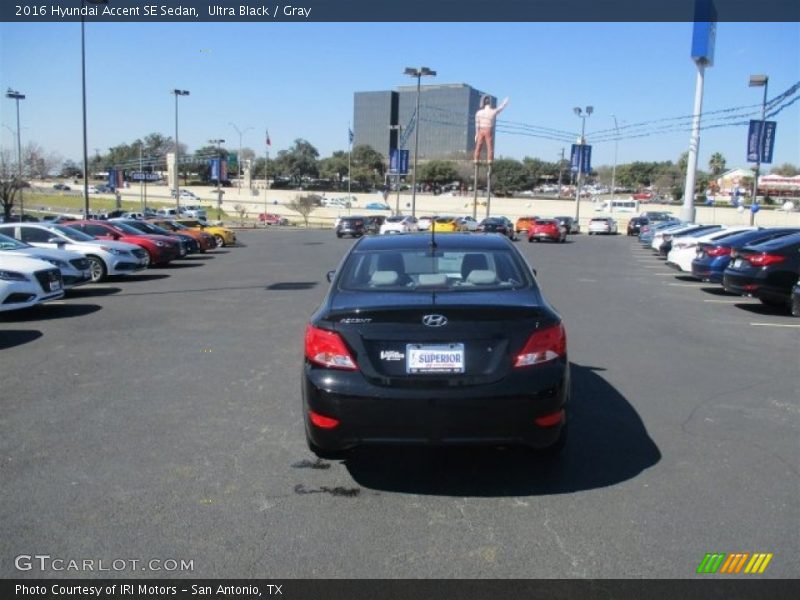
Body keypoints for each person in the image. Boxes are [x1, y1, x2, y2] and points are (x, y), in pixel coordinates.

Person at [474, 96, 509, 164]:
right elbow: (500, 109)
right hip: (489, 130)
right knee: (490, 147)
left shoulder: (479, 113)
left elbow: (477, 124)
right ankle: (490, 162)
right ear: (490, 103)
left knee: (478, 147)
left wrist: (476, 133)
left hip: (481, 130)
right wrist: (504, 103)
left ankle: (476, 160)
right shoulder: (492, 111)